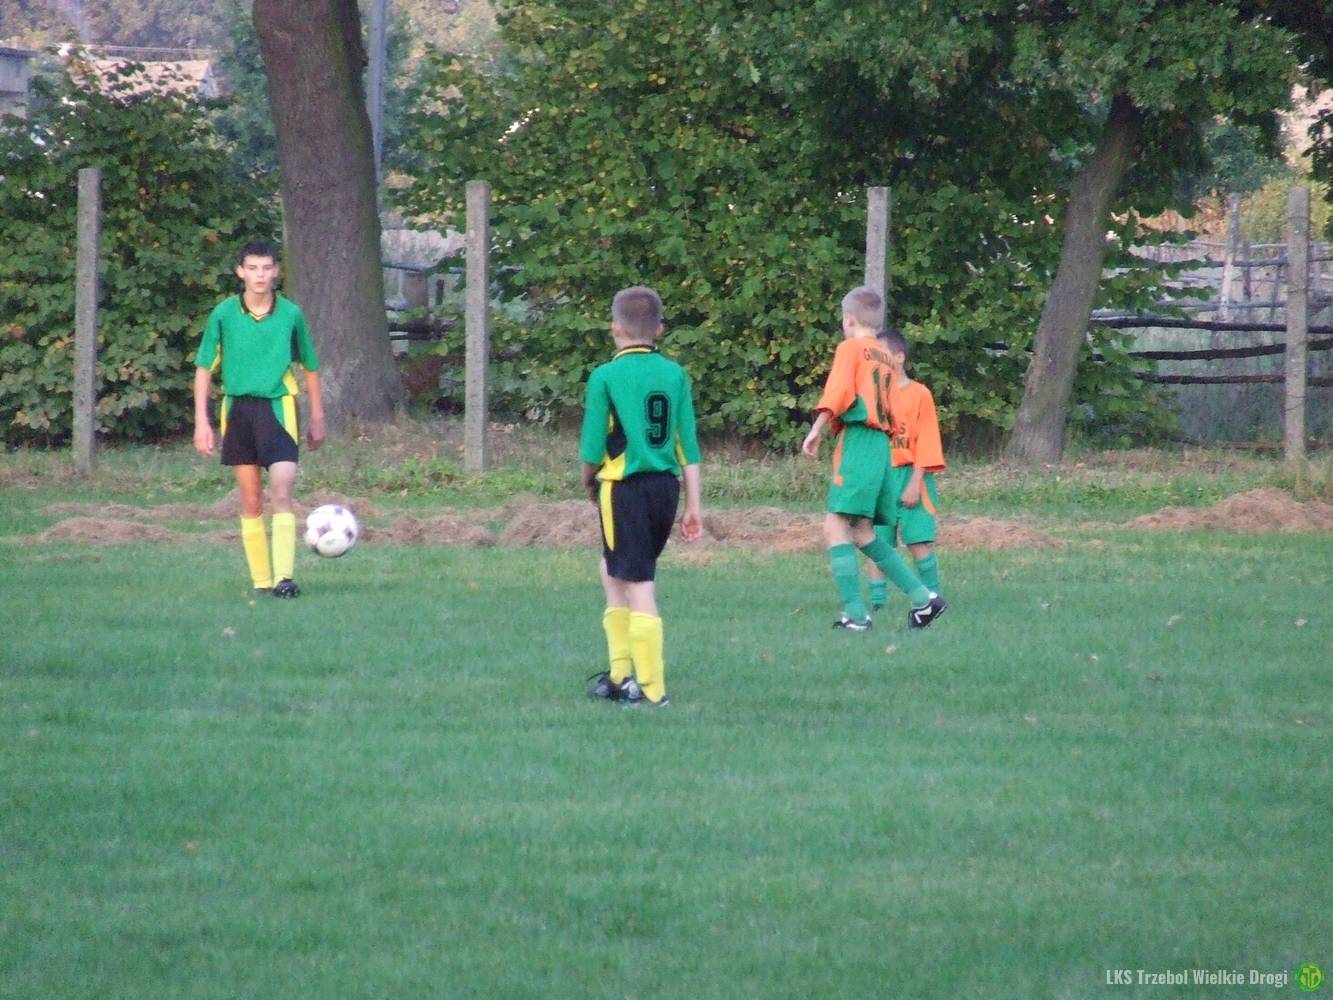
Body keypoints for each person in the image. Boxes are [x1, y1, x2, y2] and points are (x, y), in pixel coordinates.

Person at [581, 286, 702, 707]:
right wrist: (694, 506)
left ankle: (652, 690)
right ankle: (620, 675)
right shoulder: (675, 375)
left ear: (614, 327)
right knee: (613, 568)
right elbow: (688, 446)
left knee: (638, 583)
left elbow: (592, 447)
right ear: (660, 330)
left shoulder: (605, 377)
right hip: (665, 488)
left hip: (624, 489)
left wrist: (587, 481)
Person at [801, 287, 945, 631]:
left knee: (835, 526)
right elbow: (892, 407)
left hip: (861, 441)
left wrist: (817, 427)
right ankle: (924, 599)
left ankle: (856, 614)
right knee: (863, 531)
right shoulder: (885, 355)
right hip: (883, 446)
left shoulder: (850, 348)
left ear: (848, 319)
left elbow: (839, 392)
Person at [193, 240, 325, 598]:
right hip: (238, 411)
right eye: (252, 268)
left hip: (278, 408)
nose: (260, 275)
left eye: (266, 268)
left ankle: (284, 578)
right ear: (241, 272)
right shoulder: (223, 314)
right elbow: (204, 368)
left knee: (282, 489)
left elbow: (310, 366)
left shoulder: (291, 314)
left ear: (276, 271)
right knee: (251, 500)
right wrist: (202, 422)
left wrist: (317, 416)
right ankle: (262, 581)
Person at [864, 327, 946, 613]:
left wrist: (915, 482)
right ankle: (878, 606)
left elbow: (927, 441)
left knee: (918, 542)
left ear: (899, 357)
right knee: (877, 544)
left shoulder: (919, 394)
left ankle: (933, 600)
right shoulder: (873, 395)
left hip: (912, 476)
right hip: (882, 480)